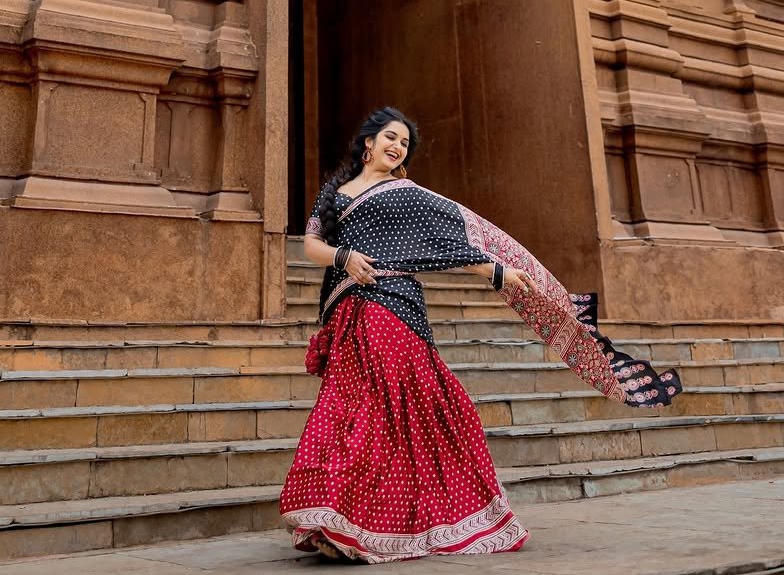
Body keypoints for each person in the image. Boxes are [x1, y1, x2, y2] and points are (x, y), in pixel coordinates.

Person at [280, 108, 681, 563]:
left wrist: (495, 268)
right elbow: (311, 245)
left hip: (394, 308)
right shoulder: (335, 193)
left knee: (407, 406)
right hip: (348, 312)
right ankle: (341, 521)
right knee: (353, 406)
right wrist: (344, 257)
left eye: (405, 143)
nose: (397, 146)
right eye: (390, 137)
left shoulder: (408, 194)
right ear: (367, 141)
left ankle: (365, 524)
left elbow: (450, 239)